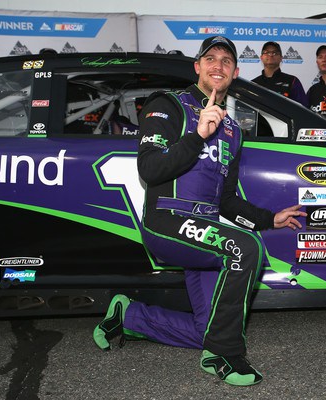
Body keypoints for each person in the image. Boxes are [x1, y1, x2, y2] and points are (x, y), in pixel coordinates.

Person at [92, 35, 306, 387]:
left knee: (207, 330)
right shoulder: (168, 105)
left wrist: (270, 218)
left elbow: (227, 202)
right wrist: (197, 136)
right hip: (166, 221)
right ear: (198, 67)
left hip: (204, 229)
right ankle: (224, 355)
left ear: (234, 72)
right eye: (210, 58)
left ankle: (129, 316)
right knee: (247, 248)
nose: (217, 64)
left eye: (225, 60)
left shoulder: (234, 131)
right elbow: (150, 170)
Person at [252, 41, 308, 107]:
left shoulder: (292, 81)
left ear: (281, 58)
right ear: (261, 57)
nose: (271, 55)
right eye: (267, 52)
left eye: (275, 53)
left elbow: (304, 109)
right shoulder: (254, 84)